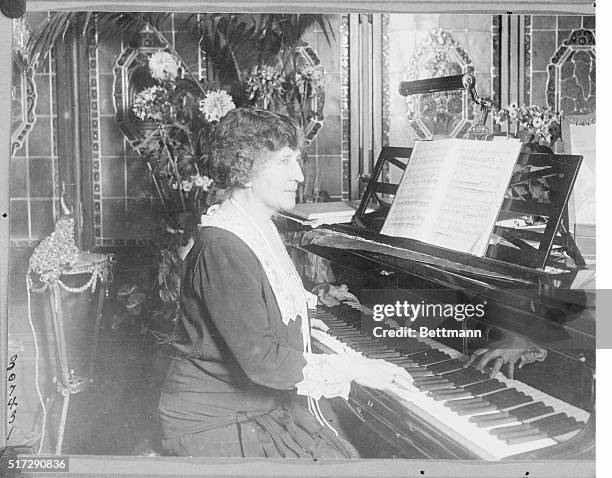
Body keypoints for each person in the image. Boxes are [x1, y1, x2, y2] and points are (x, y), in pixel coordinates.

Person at [158, 108, 415, 458]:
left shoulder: (256, 225)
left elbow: (261, 308)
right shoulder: (223, 244)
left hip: (256, 407)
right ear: (245, 169)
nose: (298, 174)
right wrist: (354, 367)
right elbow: (262, 361)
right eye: (283, 162)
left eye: (298, 160)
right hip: (218, 421)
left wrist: (299, 327)